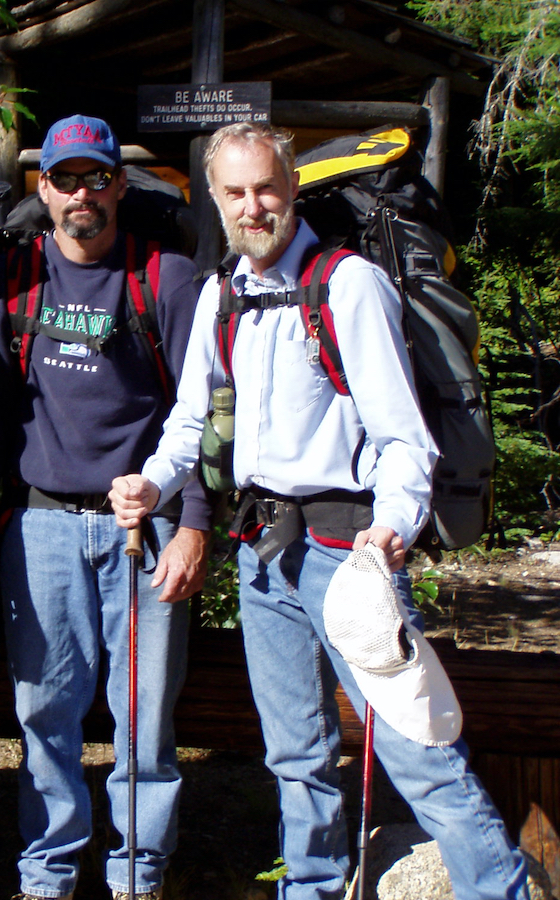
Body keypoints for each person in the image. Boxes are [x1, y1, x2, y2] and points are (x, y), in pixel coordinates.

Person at [110, 122, 530, 900]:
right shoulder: (220, 295)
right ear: (215, 198)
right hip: (262, 553)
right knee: (293, 752)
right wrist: (154, 484)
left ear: (293, 187)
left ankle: (498, 890)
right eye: (234, 192)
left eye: (266, 187)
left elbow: (404, 435)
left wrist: (394, 525)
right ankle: (309, 887)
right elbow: (188, 424)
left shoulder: (349, 285)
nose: (253, 206)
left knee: (417, 749)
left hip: (350, 551)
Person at [0, 114, 211, 900]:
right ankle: (49, 872)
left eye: (97, 178)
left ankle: (138, 873)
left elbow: (198, 410)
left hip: (147, 526)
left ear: (118, 185)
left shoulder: (164, 277)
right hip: (39, 527)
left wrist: (194, 522)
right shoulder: (9, 280)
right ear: (45, 188)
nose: (82, 195)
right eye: (66, 180)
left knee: (143, 722)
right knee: (44, 712)